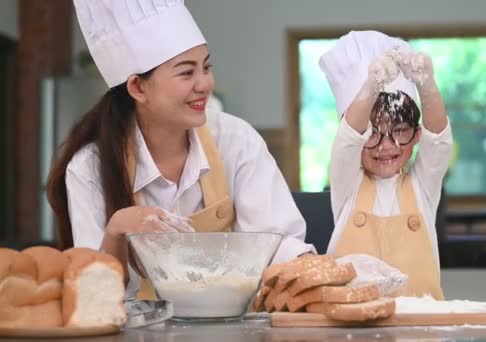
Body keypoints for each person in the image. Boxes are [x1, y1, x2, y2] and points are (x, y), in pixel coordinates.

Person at [46, 0, 314, 300]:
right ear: (137, 88)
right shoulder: (89, 167)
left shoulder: (236, 140)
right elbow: (92, 292)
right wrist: (116, 232)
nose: (205, 84)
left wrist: (311, 271)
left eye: (207, 67)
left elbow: (276, 243)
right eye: (187, 73)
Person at [319, 31, 452, 299]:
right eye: (372, 132)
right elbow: (347, 141)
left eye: (399, 130)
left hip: (421, 327)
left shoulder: (422, 186)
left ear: (416, 135)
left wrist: (427, 85)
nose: (386, 145)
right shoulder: (348, 185)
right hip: (352, 326)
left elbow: (438, 141)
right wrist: (371, 85)